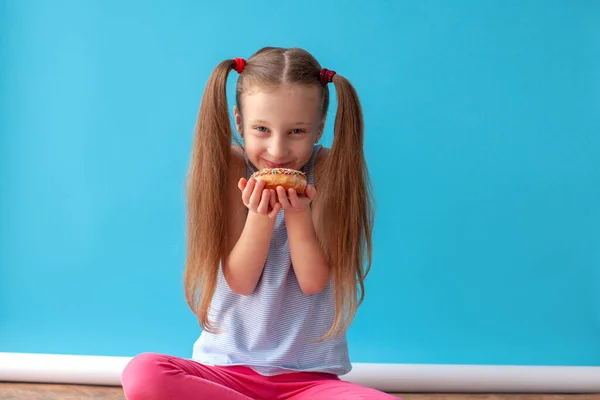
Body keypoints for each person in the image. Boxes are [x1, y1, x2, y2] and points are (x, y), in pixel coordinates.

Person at [120, 46, 397, 399]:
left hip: (310, 381)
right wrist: (260, 217)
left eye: (296, 131)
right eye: (262, 129)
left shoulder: (328, 171)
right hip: (226, 374)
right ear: (239, 122)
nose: (278, 150)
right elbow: (241, 280)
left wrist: (297, 215)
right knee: (145, 373)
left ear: (319, 127)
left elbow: (313, 282)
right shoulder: (231, 168)